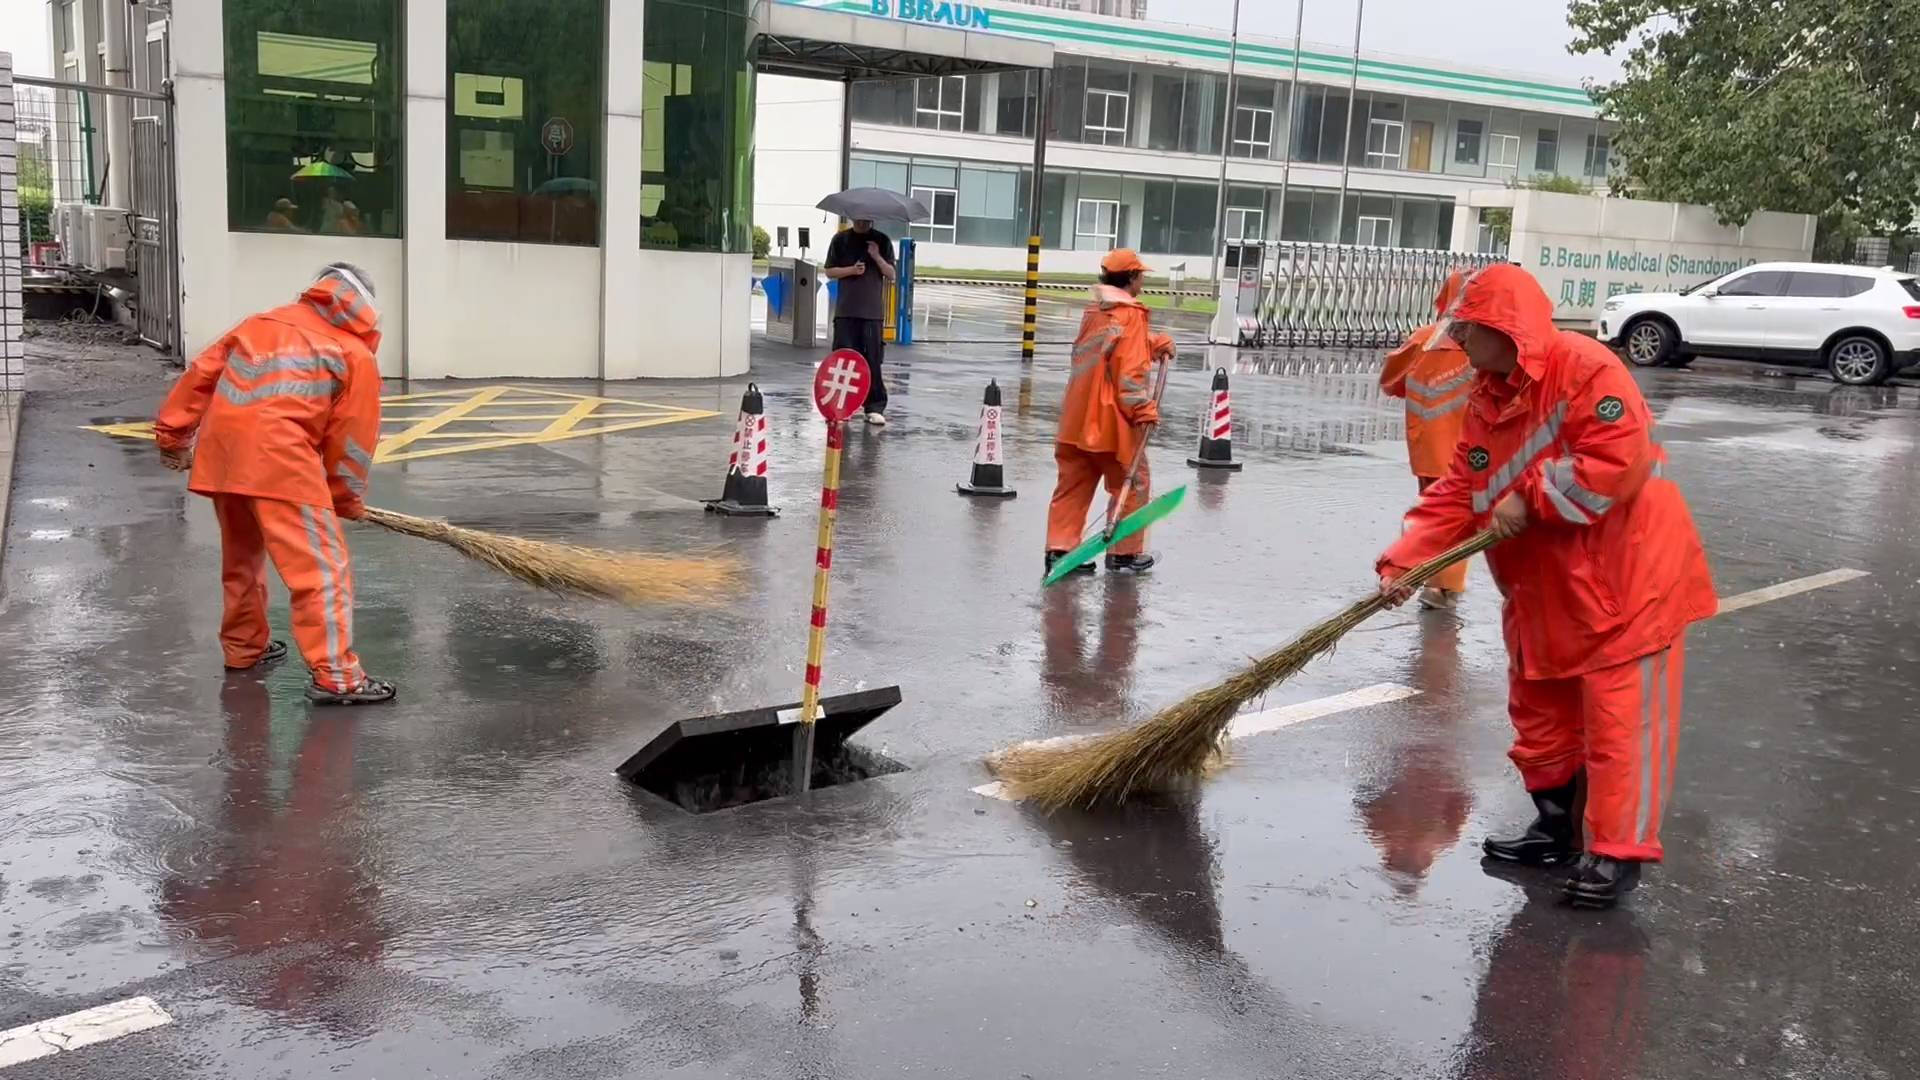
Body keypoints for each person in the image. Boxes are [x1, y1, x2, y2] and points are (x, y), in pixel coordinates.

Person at [1375, 263, 1717, 908]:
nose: (1461, 342)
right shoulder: (1487, 391)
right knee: (1540, 712)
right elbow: (1461, 491)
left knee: (1622, 727)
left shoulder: (1584, 368)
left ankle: (1616, 854)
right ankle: (1556, 828)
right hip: (1546, 587)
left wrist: (1531, 498)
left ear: (1505, 331)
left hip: (1627, 583)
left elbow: (1619, 459)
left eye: (1470, 330)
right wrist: (1405, 560)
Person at [153, 263, 394, 706]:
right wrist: (344, 498)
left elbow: (199, 377)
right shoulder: (352, 353)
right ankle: (338, 678)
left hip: (224, 461)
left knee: (242, 558)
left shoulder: (258, 325)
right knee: (321, 573)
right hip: (283, 467)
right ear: (363, 305)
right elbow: (353, 443)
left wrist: (173, 437)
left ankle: (245, 650)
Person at [1045, 249, 1176, 577]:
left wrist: (1153, 343)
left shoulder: (1096, 310)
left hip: (1076, 417)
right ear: (1131, 278)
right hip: (1110, 422)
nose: (1143, 280)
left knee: (1073, 483)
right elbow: (1128, 372)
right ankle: (1124, 555)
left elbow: (1106, 351)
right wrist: (1143, 409)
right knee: (1133, 482)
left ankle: (1059, 551)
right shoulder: (1130, 315)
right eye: (1141, 275)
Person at [1379, 271, 1474, 611]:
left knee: (1434, 511)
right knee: (1457, 516)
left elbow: (1390, 381)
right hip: (1467, 449)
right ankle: (1442, 586)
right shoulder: (1481, 345)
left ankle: (1434, 581)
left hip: (1428, 446)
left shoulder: (1423, 340)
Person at [821, 218, 897, 425]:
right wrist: (851, 271)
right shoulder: (840, 240)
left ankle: (874, 407)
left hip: (872, 312)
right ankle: (840, 405)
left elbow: (891, 274)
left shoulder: (881, 240)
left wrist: (877, 256)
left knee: (872, 360)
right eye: (859, 218)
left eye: (867, 218)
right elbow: (829, 271)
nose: (862, 222)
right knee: (843, 359)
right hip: (846, 311)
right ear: (853, 217)